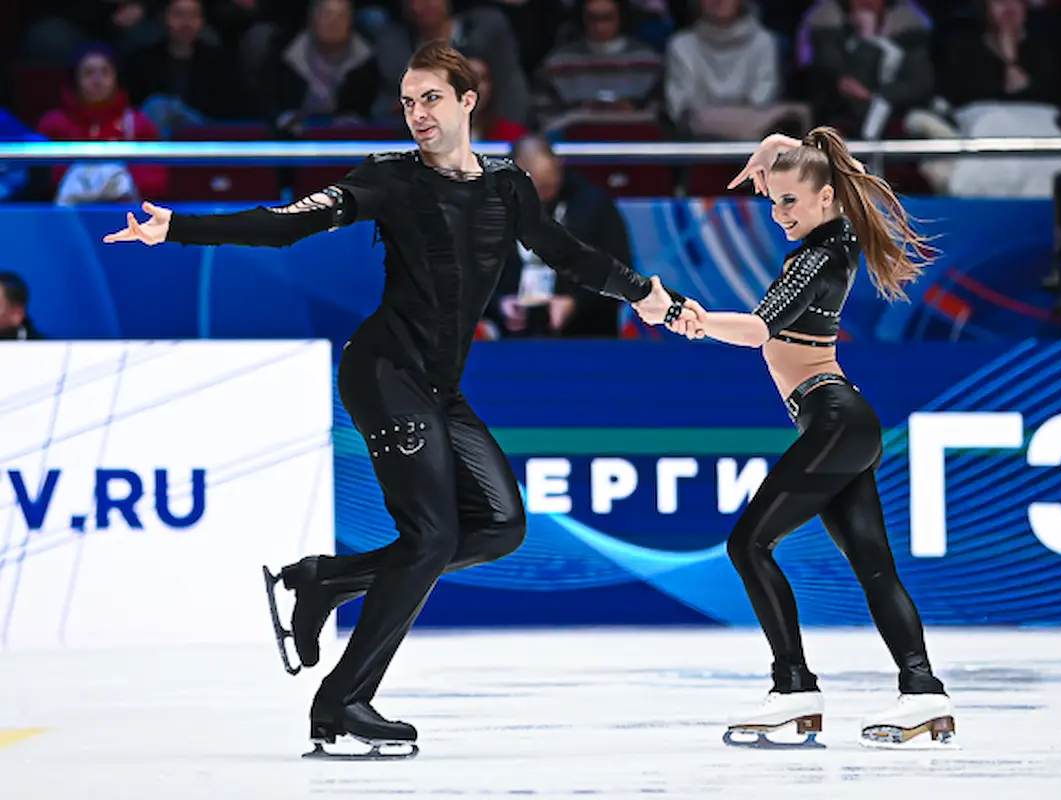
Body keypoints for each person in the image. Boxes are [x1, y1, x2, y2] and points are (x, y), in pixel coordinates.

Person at [102, 39, 700, 759]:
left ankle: (324, 582)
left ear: (468, 101)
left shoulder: (509, 185)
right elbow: (290, 223)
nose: (416, 113)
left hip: (439, 385)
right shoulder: (387, 179)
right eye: (408, 102)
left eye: (431, 99)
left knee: (501, 527)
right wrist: (180, 227)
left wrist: (647, 295)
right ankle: (342, 702)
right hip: (383, 371)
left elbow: (567, 254)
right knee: (431, 536)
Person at [638, 126, 955, 750]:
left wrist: (685, 317)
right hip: (844, 421)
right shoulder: (836, 236)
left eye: (790, 201)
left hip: (835, 419)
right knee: (874, 570)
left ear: (827, 198)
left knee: (748, 544)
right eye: (774, 201)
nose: (779, 213)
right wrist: (779, 143)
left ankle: (794, 693)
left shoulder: (815, 256)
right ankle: (924, 695)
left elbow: (759, 330)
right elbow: (835, 162)